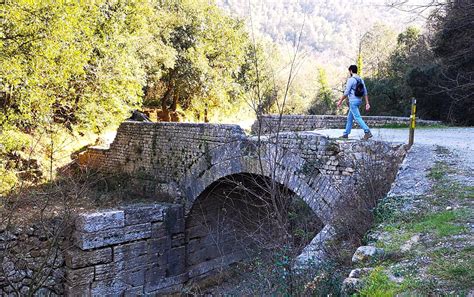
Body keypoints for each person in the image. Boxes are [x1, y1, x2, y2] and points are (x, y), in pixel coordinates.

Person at [337, 65, 372, 140]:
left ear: (351, 71)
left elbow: (346, 92)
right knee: (350, 118)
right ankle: (346, 134)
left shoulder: (351, 79)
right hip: (359, 101)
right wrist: (367, 103)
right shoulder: (360, 79)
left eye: (349, 71)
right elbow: (365, 92)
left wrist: (340, 101)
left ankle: (367, 131)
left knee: (357, 117)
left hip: (353, 101)